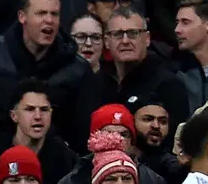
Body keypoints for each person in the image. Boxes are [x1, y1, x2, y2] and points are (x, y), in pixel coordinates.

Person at [73, 8, 191, 147]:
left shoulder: (169, 84)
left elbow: (174, 143)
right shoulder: (93, 82)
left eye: (132, 34)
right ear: (106, 41)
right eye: (117, 34)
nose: (125, 40)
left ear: (147, 39)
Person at [0, 0, 92, 125]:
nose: (49, 20)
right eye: (41, 13)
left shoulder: (77, 69)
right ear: (22, 16)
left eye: (54, 14)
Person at [51, 104, 173, 184]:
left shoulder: (154, 183)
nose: (117, 140)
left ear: (132, 142)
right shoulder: (71, 183)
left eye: (124, 135)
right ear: (95, 139)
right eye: (109, 133)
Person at [0, 80, 77, 184]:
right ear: (14, 116)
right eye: (29, 109)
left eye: (44, 110)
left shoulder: (66, 160)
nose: (38, 116)